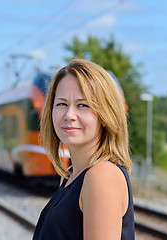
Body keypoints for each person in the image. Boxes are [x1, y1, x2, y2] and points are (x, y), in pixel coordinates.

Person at [33, 59, 135, 240]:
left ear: (105, 115)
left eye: (83, 105)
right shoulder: (72, 176)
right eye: (62, 104)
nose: (69, 115)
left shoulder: (101, 176)